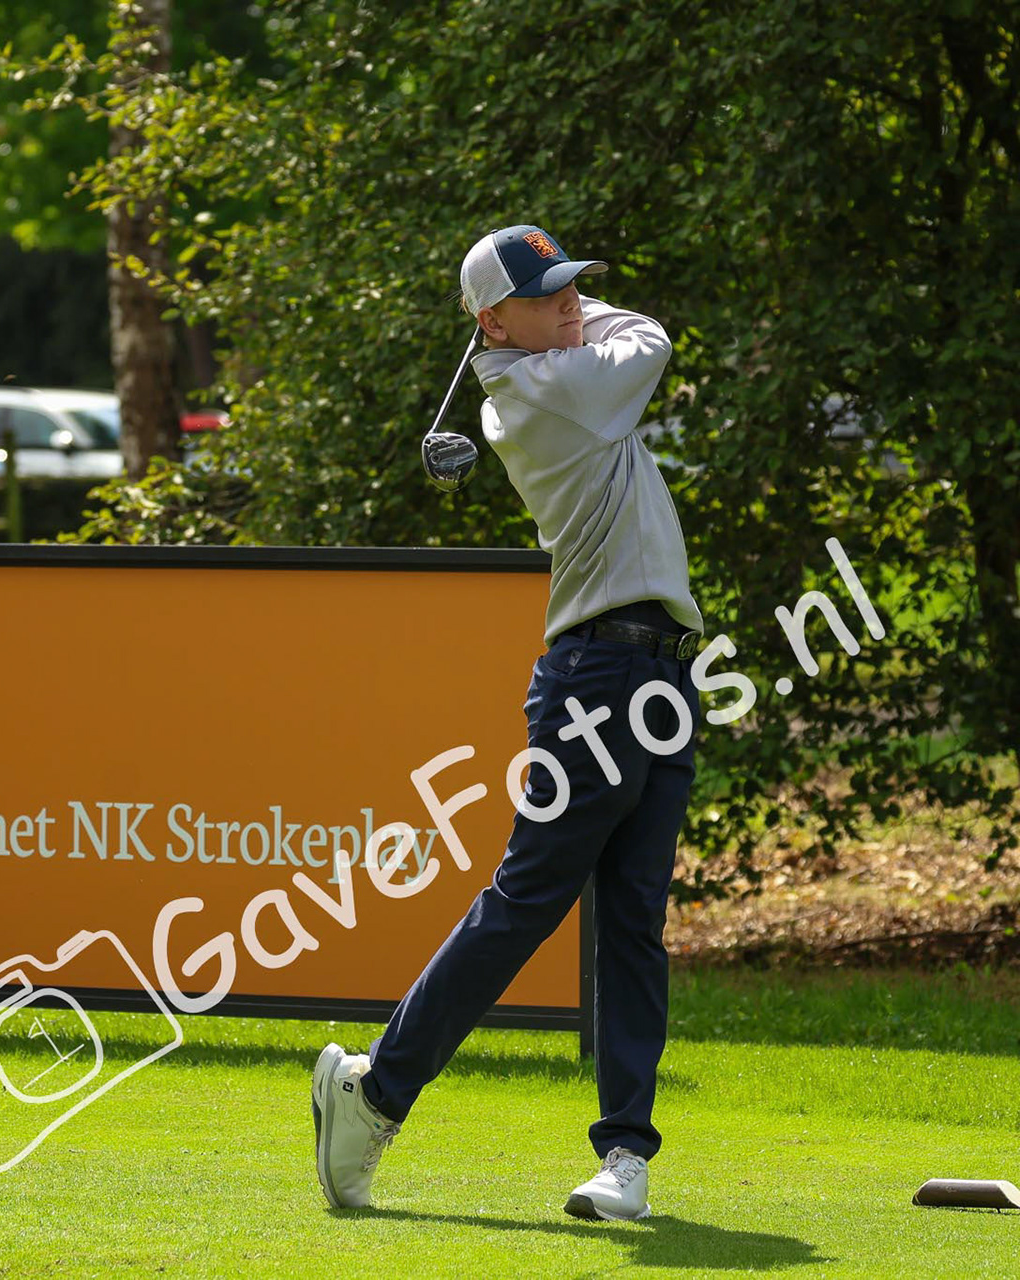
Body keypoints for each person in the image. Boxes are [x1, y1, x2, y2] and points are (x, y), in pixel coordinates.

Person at [310, 224, 705, 1222]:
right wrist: (572, 332)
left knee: (632, 922)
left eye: (578, 290)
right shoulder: (545, 393)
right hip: (600, 674)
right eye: (552, 295)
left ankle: (624, 1156)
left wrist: (552, 318)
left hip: (659, 667)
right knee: (529, 896)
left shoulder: (551, 365)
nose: (574, 306)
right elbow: (651, 338)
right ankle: (377, 1089)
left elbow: (612, 333)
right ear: (494, 322)